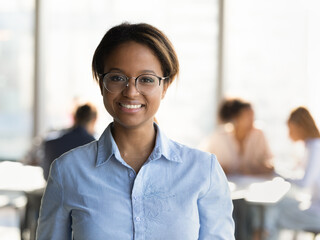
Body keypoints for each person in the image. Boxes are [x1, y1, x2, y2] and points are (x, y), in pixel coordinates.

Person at [36, 22, 234, 239]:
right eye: (117, 78)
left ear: (164, 86)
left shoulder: (203, 171)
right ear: (101, 83)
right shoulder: (68, 171)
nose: (131, 92)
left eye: (147, 79)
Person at [265, 106, 320, 239]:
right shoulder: (310, 146)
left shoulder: (315, 147)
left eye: (290, 129)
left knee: (273, 213)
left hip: (316, 212)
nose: (289, 134)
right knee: (281, 205)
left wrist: (277, 173)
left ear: (300, 127)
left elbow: (304, 183)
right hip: (313, 205)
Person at [205, 97, 274, 175]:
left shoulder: (259, 134)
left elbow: (270, 163)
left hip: (254, 183)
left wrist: (260, 168)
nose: (252, 120)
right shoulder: (219, 136)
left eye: (253, 115)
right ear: (236, 118)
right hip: (227, 183)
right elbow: (205, 163)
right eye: (248, 116)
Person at [42, 103, 97, 180]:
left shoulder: (51, 143)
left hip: (54, 189)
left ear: (74, 118)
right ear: (94, 120)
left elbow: (46, 176)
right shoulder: (95, 147)